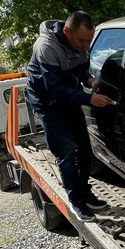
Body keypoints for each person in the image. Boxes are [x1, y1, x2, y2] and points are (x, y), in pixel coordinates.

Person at [26, 11, 115, 222]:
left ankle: (84, 192)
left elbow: (82, 71)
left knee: (85, 149)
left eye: (89, 41)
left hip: (69, 99)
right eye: (82, 40)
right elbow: (54, 89)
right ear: (67, 31)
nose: (85, 45)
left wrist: (90, 81)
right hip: (48, 104)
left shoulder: (80, 44)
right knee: (66, 152)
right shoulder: (46, 47)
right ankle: (76, 202)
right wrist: (88, 99)